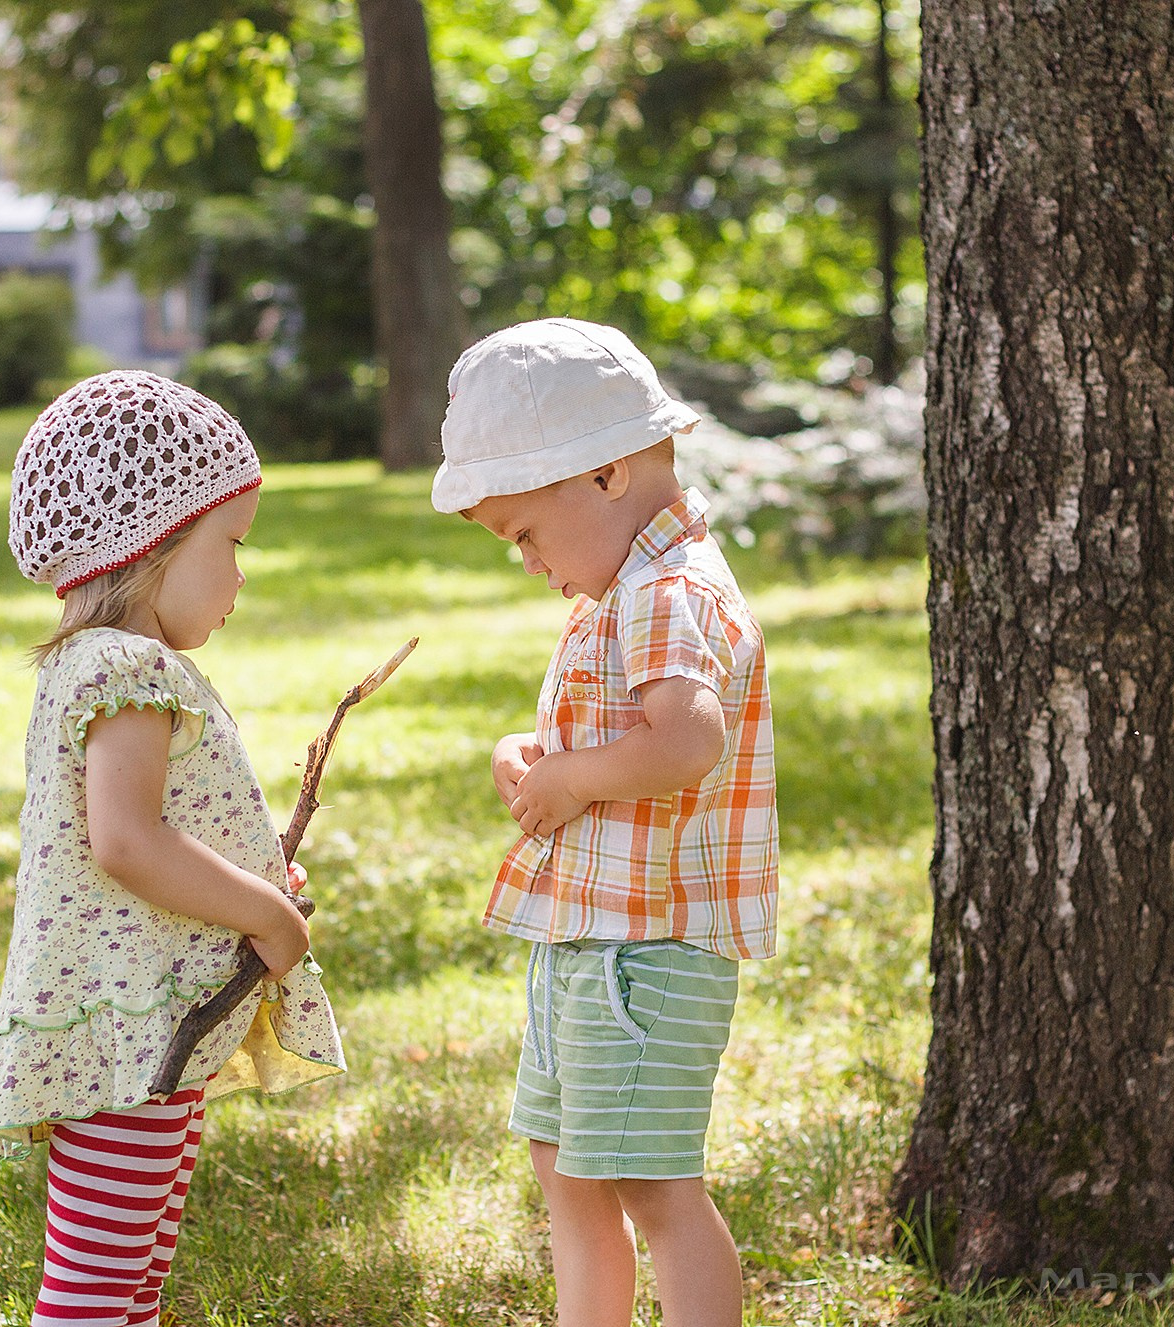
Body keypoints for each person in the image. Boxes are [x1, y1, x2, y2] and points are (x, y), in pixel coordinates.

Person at [0, 371, 344, 1327]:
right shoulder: (127, 667)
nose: (243, 574)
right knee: (96, 1286)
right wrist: (264, 913)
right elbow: (128, 841)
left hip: (144, 1027)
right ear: (155, 546)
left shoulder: (105, 665)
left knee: (130, 1275)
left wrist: (250, 876)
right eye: (233, 543)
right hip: (126, 1030)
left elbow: (169, 829)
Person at [432, 318, 778, 1327]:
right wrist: (536, 756)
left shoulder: (667, 592)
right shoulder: (622, 585)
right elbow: (614, 725)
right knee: (567, 1170)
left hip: (645, 952)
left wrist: (575, 780)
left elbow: (683, 741)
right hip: (590, 938)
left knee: (650, 1184)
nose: (525, 562)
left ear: (606, 474)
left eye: (523, 534)